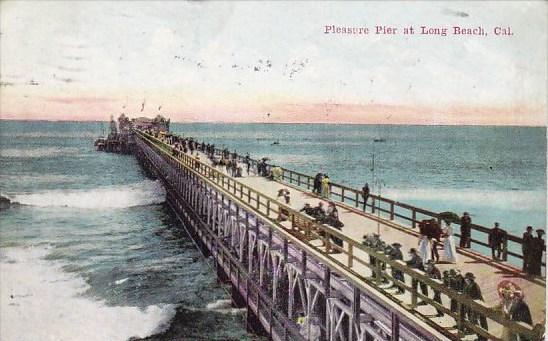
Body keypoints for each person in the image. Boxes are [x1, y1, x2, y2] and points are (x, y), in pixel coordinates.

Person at [463, 272, 488, 340]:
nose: (466, 280)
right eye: (466, 279)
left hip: (478, 305)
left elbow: (477, 297)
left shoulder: (475, 286)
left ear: (470, 279)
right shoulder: (468, 285)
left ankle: (484, 337)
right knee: (474, 321)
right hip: (472, 305)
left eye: (467, 279)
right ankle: (480, 336)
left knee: (482, 321)